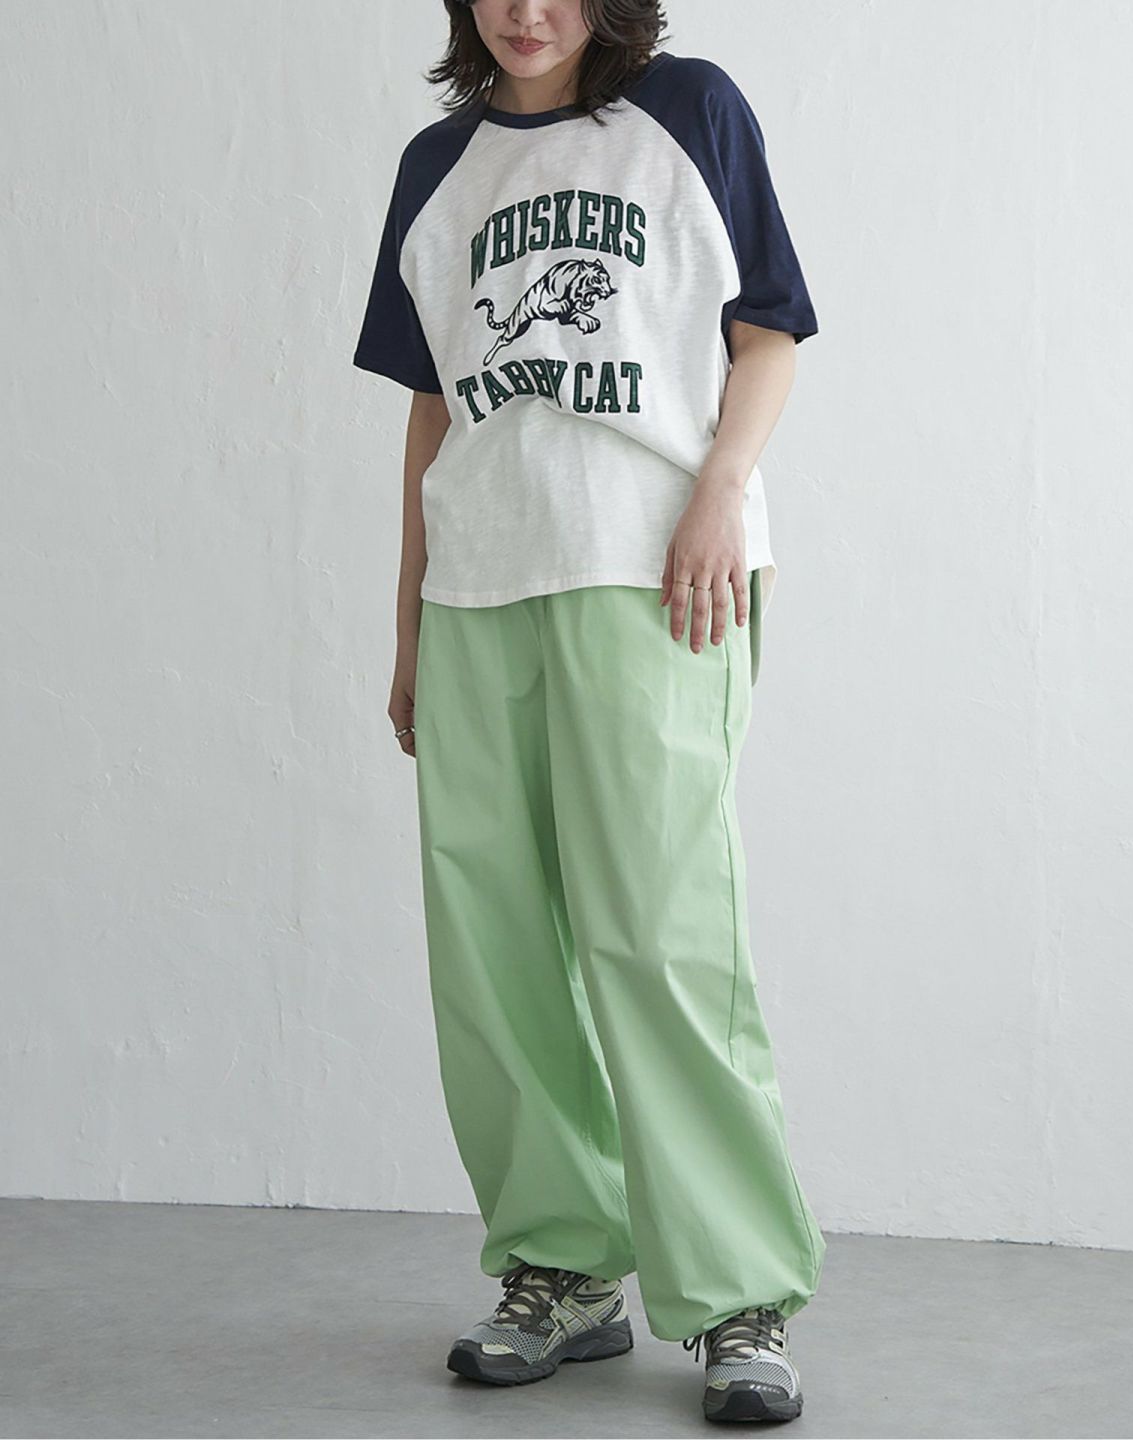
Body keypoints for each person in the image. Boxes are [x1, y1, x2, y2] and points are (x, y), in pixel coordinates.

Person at [353, 0, 826, 1424]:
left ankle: (738, 1296)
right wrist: (408, 624)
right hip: (478, 587)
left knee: (662, 935)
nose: (526, 9)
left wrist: (720, 494)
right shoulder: (435, 170)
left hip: (653, 572)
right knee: (491, 948)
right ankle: (561, 1265)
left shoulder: (687, 112)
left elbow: (768, 332)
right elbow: (432, 413)